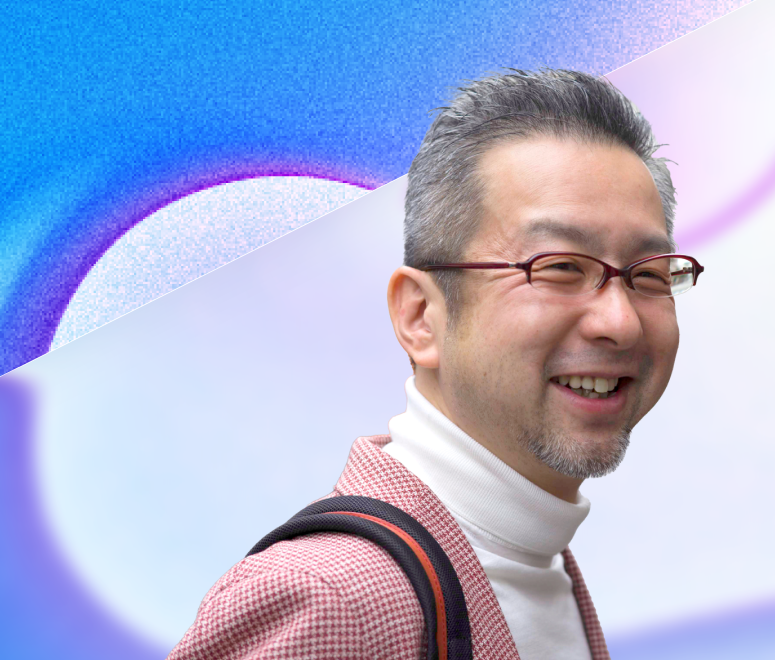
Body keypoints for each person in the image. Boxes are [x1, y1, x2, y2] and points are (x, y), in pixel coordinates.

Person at [169, 68, 702, 660]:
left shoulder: (538, 560)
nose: (620, 321)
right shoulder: (327, 599)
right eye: (558, 267)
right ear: (420, 316)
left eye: (649, 275)